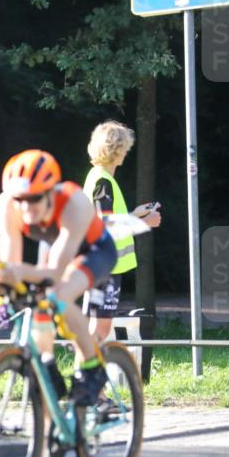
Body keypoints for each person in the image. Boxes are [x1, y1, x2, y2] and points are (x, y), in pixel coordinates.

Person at [0, 149, 118, 457]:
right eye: (21, 200)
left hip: (93, 251)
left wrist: (13, 272)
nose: (27, 208)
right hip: (53, 245)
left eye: (35, 199)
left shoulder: (75, 202)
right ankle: (50, 430)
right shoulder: (6, 205)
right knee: (40, 355)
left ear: (50, 192)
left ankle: (93, 367)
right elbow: (11, 261)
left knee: (57, 295)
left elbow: (54, 274)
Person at [83, 121, 162, 341]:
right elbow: (106, 227)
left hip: (101, 264)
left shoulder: (99, 177)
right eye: (124, 148)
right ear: (116, 150)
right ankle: (87, 363)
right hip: (104, 267)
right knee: (99, 329)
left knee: (98, 327)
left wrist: (135, 214)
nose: (126, 152)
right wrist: (145, 223)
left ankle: (89, 362)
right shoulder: (103, 182)